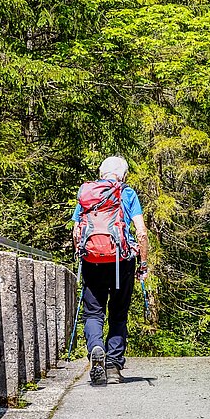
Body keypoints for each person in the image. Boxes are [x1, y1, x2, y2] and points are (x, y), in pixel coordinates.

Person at [73, 156, 149, 384]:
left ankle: (96, 347)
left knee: (93, 312)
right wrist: (143, 265)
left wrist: (82, 254)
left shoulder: (87, 193)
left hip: (92, 260)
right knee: (118, 313)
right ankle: (114, 366)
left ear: (101, 173)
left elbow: (77, 231)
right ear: (123, 175)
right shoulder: (127, 193)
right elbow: (142, 232)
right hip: (121, 262)